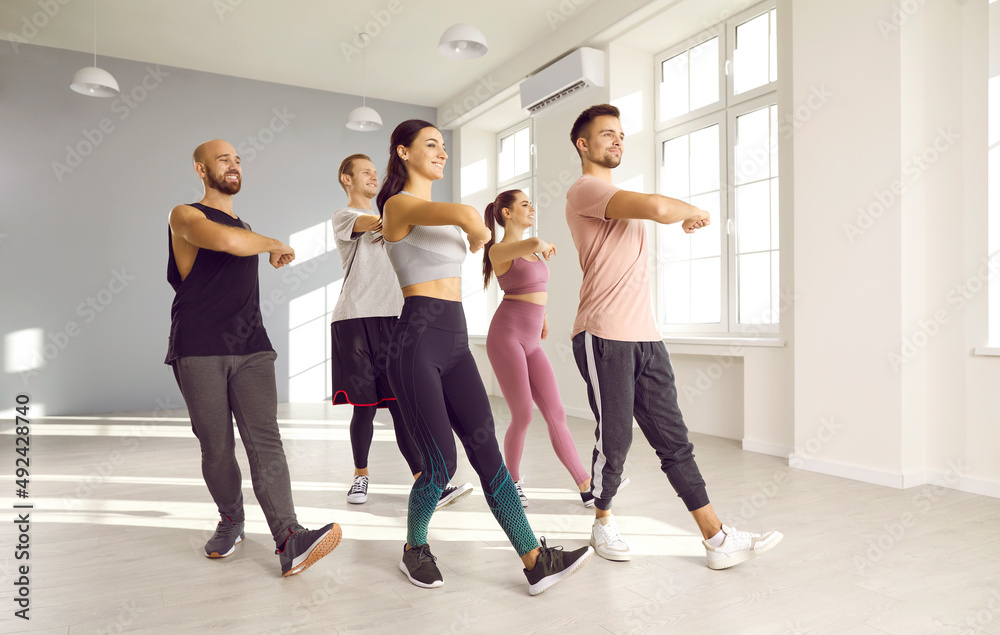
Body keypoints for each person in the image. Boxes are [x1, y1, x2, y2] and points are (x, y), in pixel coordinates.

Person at [377, 120, 592, 595]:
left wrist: (475, 229)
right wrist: (474, 224)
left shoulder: (433, 211)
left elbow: (475, 233)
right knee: (440, 464)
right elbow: (470, 221)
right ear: (403, 153)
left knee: (487, 448)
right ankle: (415, 547)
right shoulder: (397, 206)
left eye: (443, 145)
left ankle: (535, 559)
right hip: (415, 342)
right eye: (430, 144)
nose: (441, 152)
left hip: (454, 340)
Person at [565, 105, 782, 570]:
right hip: (603, 335)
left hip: (646, 336)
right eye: (607, 135)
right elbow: (661, 208)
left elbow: (657, 211)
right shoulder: (586, 189)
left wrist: (682, 214)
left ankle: (716, 537)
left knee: (674, 440)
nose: (618, 141)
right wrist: (695, 211)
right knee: (616, 441)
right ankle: (602, 521)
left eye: (621, 134)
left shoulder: (617, 194)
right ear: (584, 144)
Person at [165, 139, 340, 577]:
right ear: (201, 169)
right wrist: (273, 243)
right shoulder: (185, 215)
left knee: (266, 443)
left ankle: (289, 537)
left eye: (238, 159)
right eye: (224, 159)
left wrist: (261, 242)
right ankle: (231, 519)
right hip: (199, 347)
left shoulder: (246, 226)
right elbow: (225, 241)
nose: (234, 165)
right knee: (217, 447)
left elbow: (238, 241)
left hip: (252, 348)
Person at [331, 153, 473, 509]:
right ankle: (360, 476)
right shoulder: (346, 217)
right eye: (364, 173)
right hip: (356, 318)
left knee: (400, 406)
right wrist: (405, 213)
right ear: (346, 179)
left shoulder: (399, 212)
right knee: (363, 408)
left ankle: (427, 482)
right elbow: (379, 222)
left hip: (397, 318)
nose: (372, 177)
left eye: (374, 172)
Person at [482, 190, 592, 507]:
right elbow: (531, 245)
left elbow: (533, 286)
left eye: (532, 203)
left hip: (531, 339)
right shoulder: (500, 250)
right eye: (525, 205)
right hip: (506, 336)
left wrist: (542, 314)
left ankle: (586, 486)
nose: (532, 208)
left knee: (556, 413)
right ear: (505, 213)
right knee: (523, 414)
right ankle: (510, 483)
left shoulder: (532, 251)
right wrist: (541, 243)